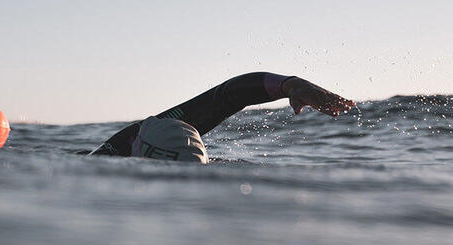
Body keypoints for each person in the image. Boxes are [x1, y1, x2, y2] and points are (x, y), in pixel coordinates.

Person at [90, 72, 355, 162]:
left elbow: (226, 96)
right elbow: (229, 97)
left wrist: (290, 84)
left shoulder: (109, 159)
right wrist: (289, 84)